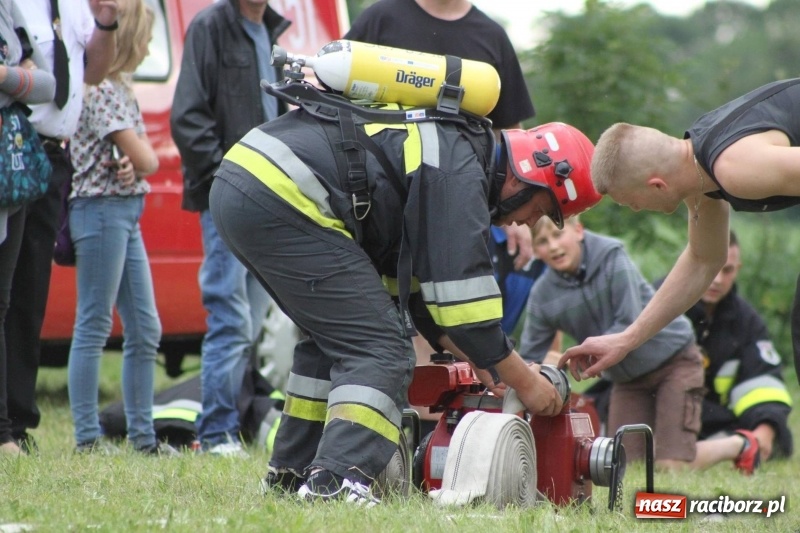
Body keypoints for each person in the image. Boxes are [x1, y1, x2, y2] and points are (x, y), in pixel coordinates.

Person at [210, 104, 599, 502]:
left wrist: (485, 362)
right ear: (530, 175)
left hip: (247, 179)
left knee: (334, 343)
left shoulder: (456, 153)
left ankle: (289, 477)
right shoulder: (459, 172)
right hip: (282, 192)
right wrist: (525, 381)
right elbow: (465, 306)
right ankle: (336, 483)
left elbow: (417, 297)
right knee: (381, 349)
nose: (531, 223)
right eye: (543, 209)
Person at [344, 0, 537, 433]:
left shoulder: (490, 35)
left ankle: (440, 430)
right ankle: (396, 424)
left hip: (458, 206)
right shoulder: (381, 18)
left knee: (450, 307)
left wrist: (525, 220)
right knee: (386, 317)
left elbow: (512, 135)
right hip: (381, 203)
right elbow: (334, 95)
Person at [560, 78, 800, 388]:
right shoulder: (701, 175)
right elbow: (703, 260)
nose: (635, 209)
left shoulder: (735, 168)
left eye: (631, 202)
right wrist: (627, 339)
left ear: (657, 185)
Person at [520, 216, 762, 474]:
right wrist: (535, 378)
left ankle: (741, 444)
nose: (554, 246)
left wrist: (582, 354)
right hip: (627, 380)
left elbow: (630, 323)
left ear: (579, 230)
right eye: (543, 242)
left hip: (675, 361)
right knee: (623, 467)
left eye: (558, 235)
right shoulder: (542, 297)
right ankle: (671, 449)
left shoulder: (611, 256)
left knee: (670, 465)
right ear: (535, 250)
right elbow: (529, 359)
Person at [169, 0, 290, 457]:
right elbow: (187, 117)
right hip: (228, 195)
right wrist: (228, 177)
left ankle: (229, 424)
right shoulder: (210, 26)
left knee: (253, 319)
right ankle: (216, 432)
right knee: (230, 315)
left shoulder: (271, 32)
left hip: (270, 198)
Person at [6, 0, 118, 454]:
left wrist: (107, 21)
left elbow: (93, 72)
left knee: (30, 296)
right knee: (4, 291)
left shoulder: (71, 3)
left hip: (53, 157)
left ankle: (17, 420)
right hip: (12, 147)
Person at [66, 0, 176, 456]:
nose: (150, 44)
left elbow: (133, 157)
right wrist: (140, 162)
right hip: (101, 212)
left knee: (145, 328)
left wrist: (134, 164)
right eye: (147, 35)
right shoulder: (106, 90)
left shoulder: (118, 89)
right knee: (93, 322)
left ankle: (143, 438)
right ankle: (88, 437)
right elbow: (148, 157)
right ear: (131, 37)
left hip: (121, 210)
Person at [682, 230, 793, 461]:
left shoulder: (747, 321)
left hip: (717, 421)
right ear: (690, 260)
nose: (717, 279)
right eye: (711, 267)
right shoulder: (657, 304)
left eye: (727, 270)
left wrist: (765, 431)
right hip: (662, 414)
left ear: (738, 270)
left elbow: (764, 383)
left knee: (780, 436)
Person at [0, 0, 56, 455]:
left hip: (11, 171)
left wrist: (7, 77)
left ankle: (4, 432)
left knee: (6, 301)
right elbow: (28, 80)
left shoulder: (10, 12)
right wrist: (18, 75)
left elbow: (47, 85)